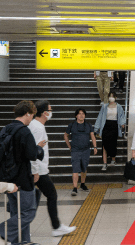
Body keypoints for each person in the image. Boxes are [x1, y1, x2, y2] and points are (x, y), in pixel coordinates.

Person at [29, 100, 77, 237]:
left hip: (38, 169)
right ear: (44, 113)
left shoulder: (35, 125)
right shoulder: (37, 128)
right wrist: (35, 171)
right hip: (38, 170)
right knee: (51, 195)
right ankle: (56, 227)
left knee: (38, 197)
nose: (51, 113)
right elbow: (34, 151)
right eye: (50, 110)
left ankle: (25, 226)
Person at [0, 100, 45, 245]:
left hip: (7, 177)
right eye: (32, 114)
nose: (32, 117)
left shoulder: (5, 129)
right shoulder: (24, 131)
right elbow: (32, 154)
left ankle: (23, 241)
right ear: (27, 113)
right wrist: (39, 148)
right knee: (28, 212)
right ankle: (3, 230)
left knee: (16, 212)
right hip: (22, 178)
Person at [64, 108, 97, 196]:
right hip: (75, 150)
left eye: (83, 114)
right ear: (76, 116)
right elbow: (65, 135)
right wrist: (69, 146)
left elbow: (92, 136)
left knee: (84, 167)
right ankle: (75, 188)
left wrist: (95, 147)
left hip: (86, 150)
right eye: (79, 114)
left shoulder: (88, 125)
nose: (81, 115)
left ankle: (82, 184)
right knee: (75, 168)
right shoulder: (72, 125)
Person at [94, 91, 126, 171]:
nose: (111, 98)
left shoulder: (119, 106)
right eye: (110, 96)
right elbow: (100, 117)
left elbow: (122, 116)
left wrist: (122, 123)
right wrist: (96, 127)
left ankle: (113, 159)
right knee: (104, 144)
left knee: (113, 143)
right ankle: (104, 163)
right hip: (106, 126)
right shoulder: (104, 106)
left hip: (114, 126)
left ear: (116, 98)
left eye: (112, 96)